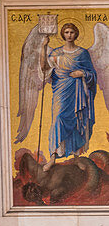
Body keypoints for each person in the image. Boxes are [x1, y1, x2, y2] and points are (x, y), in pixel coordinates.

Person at [43, 22, 98, 167]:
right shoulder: (56, 53)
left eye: (71, 32)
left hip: (77, 90)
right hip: (61, 89)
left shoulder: (82, 53)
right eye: (66, 32)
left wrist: (82, 73)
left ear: (76, 34)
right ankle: (53, 157)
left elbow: (92, 73)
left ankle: (76, 158)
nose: (69, 35)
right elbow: (44, 69)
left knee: (77, 120)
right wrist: (43, 47)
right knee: (58, 118)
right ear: (63, 34)